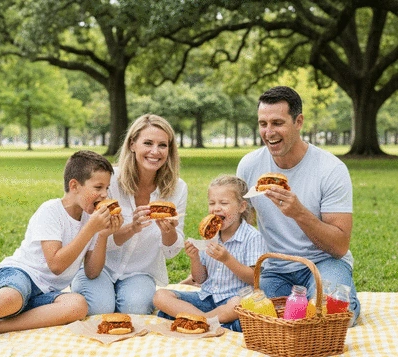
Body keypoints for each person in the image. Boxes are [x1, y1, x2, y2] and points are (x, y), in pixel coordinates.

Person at [236, 85, 361, 326]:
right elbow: (243, 227)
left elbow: (339, 246)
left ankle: (331, 300)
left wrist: (299, 213)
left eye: (277, 123)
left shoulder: (331, 170)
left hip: (325, 262)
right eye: (263, 124)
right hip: (275, 267)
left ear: (298, 121)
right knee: (249, 318)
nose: (269, 132)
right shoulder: (249, 165)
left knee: (331, 317)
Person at [72, 114, 187, 315]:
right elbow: (91, 236)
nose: (155, 151)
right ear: (133, 144)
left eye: (163, 145)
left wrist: (169, 232)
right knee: (99, 309)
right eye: (148, 143)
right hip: (101, 266)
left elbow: (171, 251)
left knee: (136, 309)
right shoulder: (110, 181)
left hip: (140, 272)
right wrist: (131, 228)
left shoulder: (177, 188)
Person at [0, 150, 122, 334]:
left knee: (78, 306)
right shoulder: (50, 211)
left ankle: (3, 327)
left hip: (45, 292)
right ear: (74, 186)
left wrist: (102, 235)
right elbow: (56, 264)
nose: (105, 194)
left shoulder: (91, 219)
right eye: (98, 187)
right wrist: (90, 230)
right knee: (10, 299)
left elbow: (92, 272)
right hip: (21, 276)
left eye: (107, 188)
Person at [153, 174, 267, 332]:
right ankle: (209, 322)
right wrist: (194, 258)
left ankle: (198, 320)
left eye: (224, 203)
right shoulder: (210, 235)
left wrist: (227, 259)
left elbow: (255, 280)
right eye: (212, 203)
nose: (216, 208)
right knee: (161, 296)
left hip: (232, 301)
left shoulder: (253, 237)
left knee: (238, 304)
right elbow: (200, 278)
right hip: (206, 298)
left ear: (242, 207)